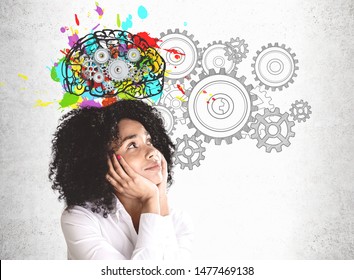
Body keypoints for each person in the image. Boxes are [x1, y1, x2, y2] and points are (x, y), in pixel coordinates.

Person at [49, 100, 193, 259]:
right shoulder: (80, 219)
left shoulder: (179, 222)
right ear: (102, 161)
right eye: (132, 145)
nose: (153, 152)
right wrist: (150, 199)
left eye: (149, 141)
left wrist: (160, 197)